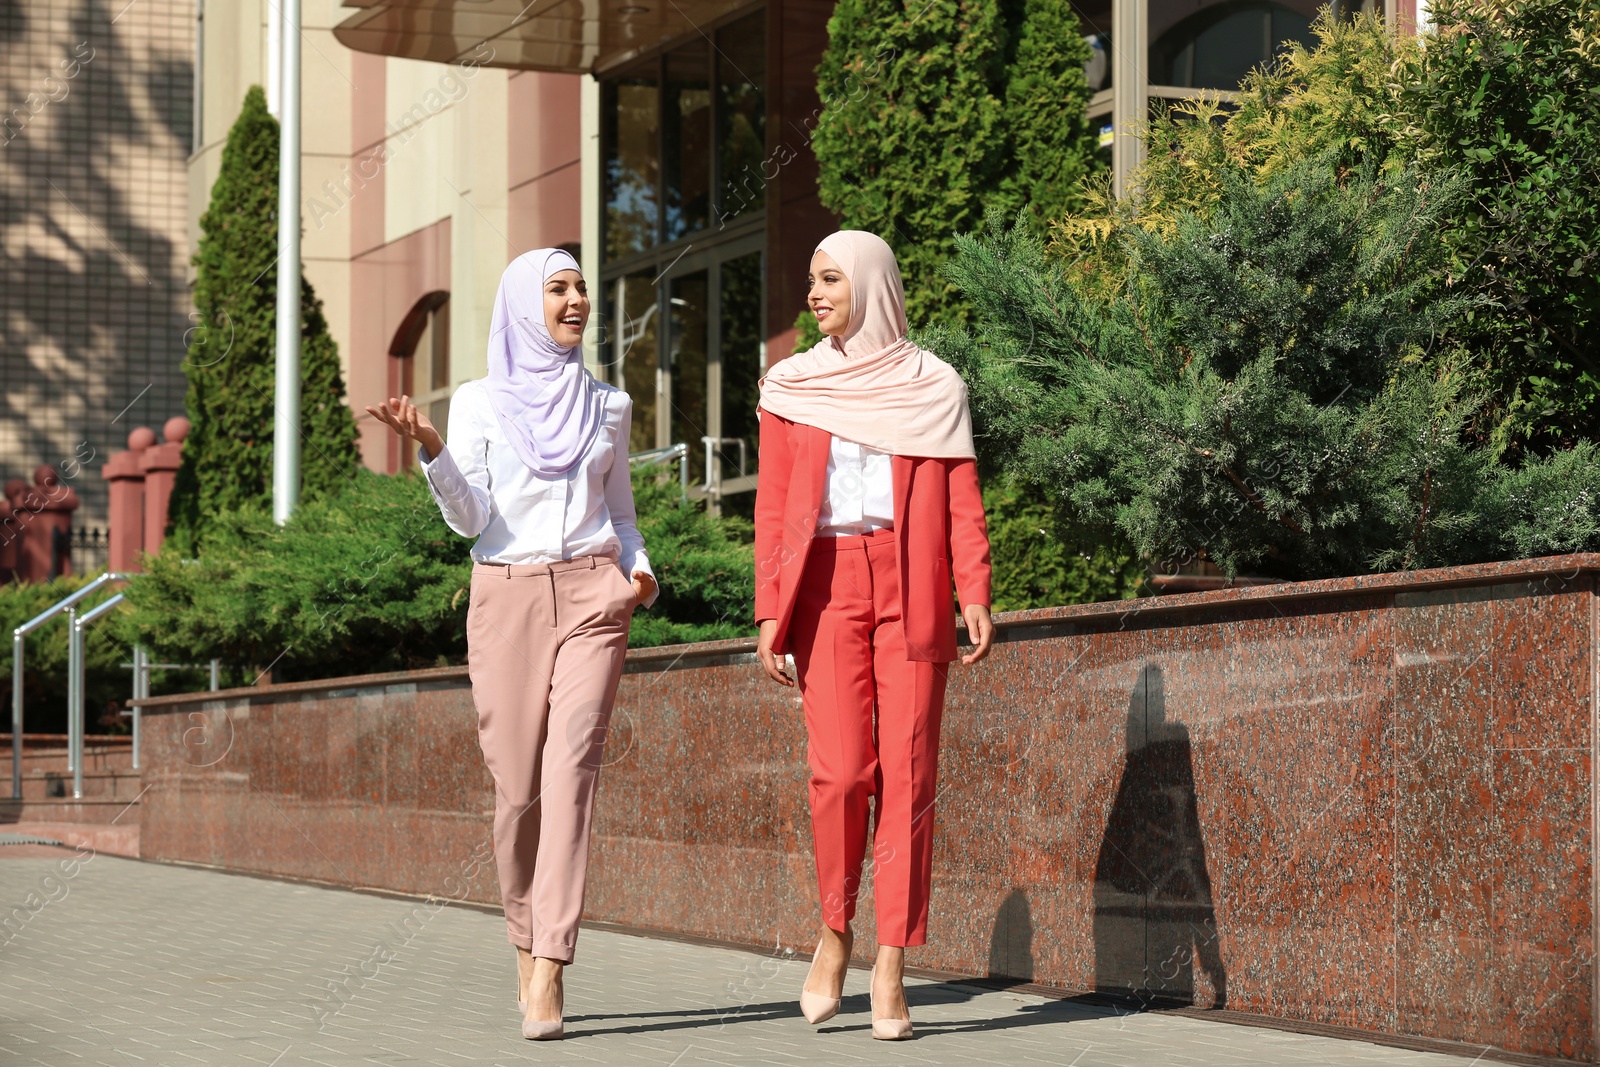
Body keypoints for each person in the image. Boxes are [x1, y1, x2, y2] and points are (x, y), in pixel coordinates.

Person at [366, 247, 657, 1041]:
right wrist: (433, 449)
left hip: (595, 596)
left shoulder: (610, 405)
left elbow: (622, 514)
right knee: (518, 789)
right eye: (558, 288)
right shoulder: (480, 402)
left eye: (581, 288)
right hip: (506, 594)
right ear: (525, 304)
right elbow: (471, 519)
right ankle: (524, 944)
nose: (576, 300)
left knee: (572, 773)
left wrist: (640, 572)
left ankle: (553, 963)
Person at [753, 230, 994, 1040]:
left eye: (830, 278)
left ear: (871, 283)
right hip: (823, 586)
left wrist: (976, 589)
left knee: (911, 774)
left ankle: (891, 961)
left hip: (913, 581)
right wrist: (767, 609)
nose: (816, 292)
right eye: (812, 278)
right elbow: (773, 501)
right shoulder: (792, 384)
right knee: (842, 773)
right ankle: (834, 930)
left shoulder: (932, 384)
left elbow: (960, 487)